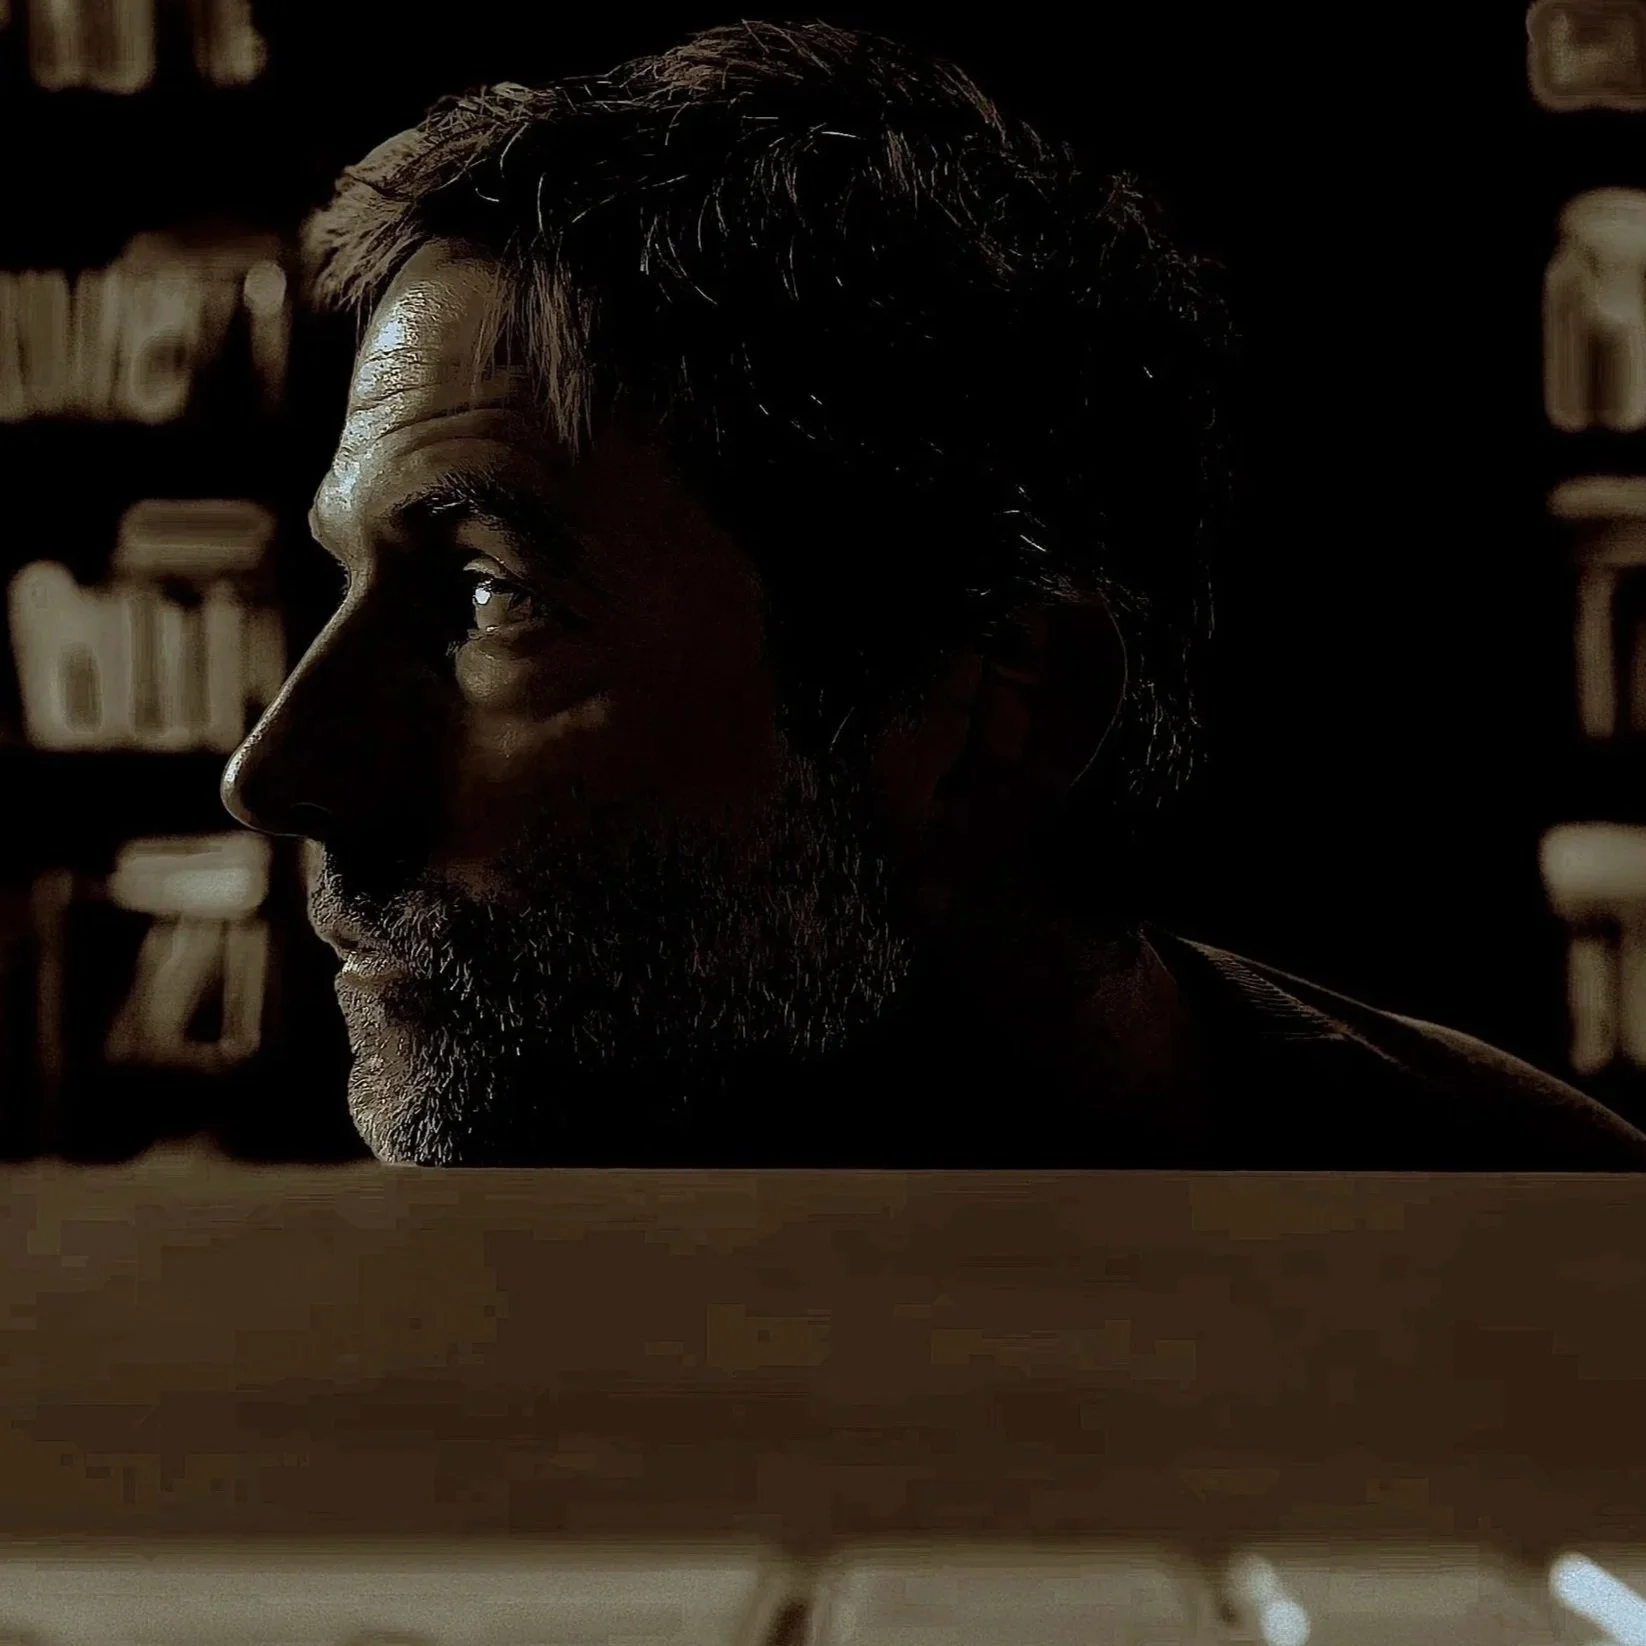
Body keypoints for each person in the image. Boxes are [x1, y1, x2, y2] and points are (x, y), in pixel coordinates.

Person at [220, 20, 1646, 1169]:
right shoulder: (304, 1336)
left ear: (991, 719)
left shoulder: (1536, 1296)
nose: (277, 769)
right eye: (350, 574)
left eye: (487, 598)